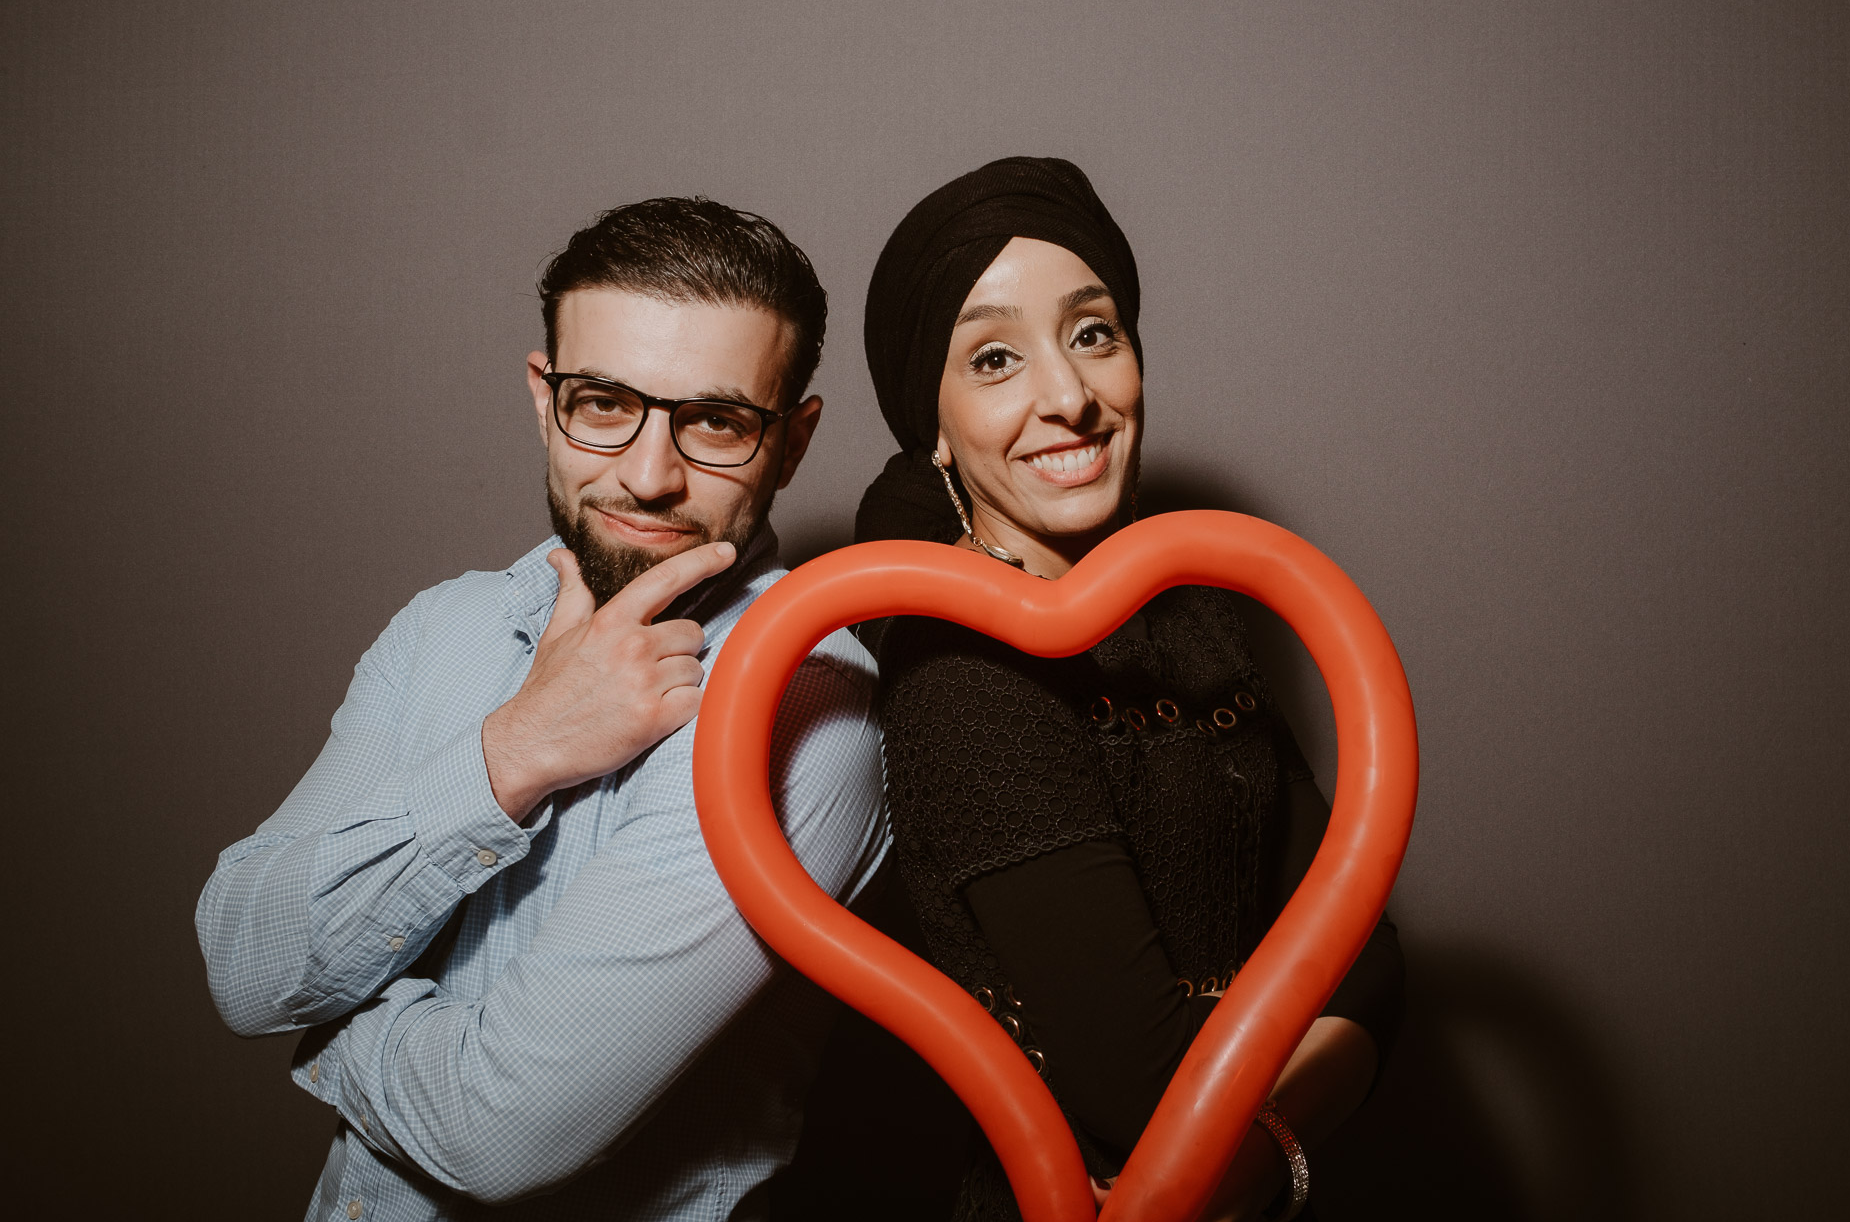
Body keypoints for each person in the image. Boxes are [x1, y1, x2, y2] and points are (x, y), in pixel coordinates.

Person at [196, 198, 889, 1221]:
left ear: (790, 442)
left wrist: (333, 1027)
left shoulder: (810, 707)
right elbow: (239, 958)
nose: (648, 475)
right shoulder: (446, 626)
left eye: (714, 420)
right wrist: (516, 751)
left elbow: (497, 1130)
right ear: (543, 396)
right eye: (604, 401)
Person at [853, 157, 1405, 1222]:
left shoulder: (1191, 618)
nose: (1067, 396)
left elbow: (1366, 958)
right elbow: (1145, 1094)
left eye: (1092, 332)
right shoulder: (958, 677)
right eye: (995, 356)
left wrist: (1254, 1148)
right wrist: (1256, 1126)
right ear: (931, 423)